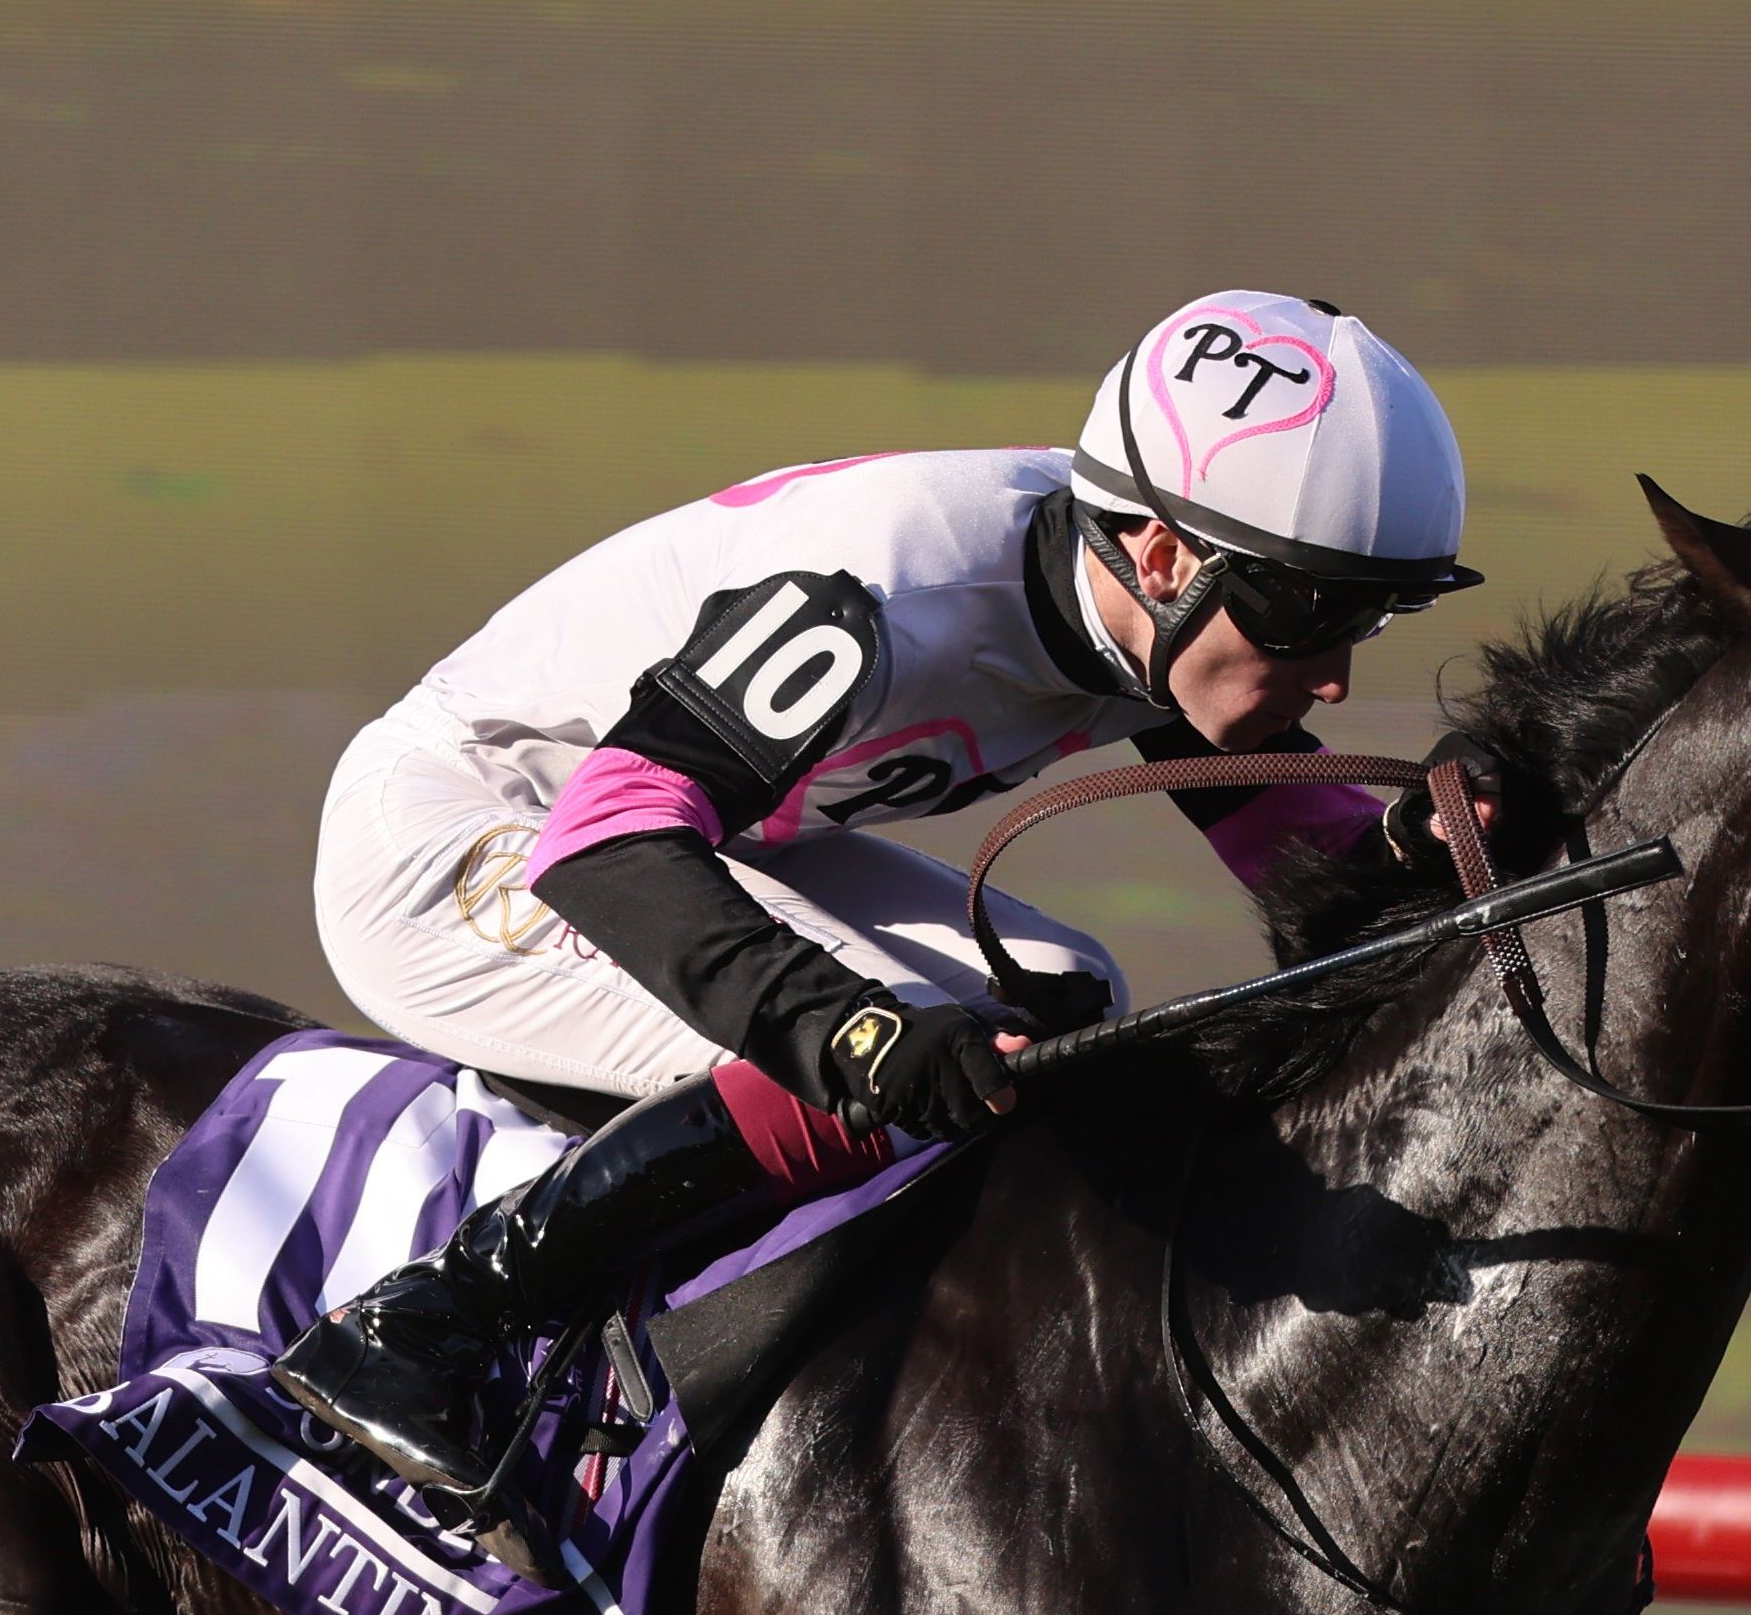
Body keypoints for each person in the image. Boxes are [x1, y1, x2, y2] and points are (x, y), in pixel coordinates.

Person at [272, 289, 1484, 1500]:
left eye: (1368, 617)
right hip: (479, 825)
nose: (1332, 680)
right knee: (893, 1057)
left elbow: (1310, 864)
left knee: (1060, 1002)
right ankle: (430, 1322)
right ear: (1162, 554)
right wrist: (844, 1029)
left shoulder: (1142, 593)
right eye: (1312, 615)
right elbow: (606, 845)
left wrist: (1441, 847)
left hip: (697, 825)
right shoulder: (886, 587)